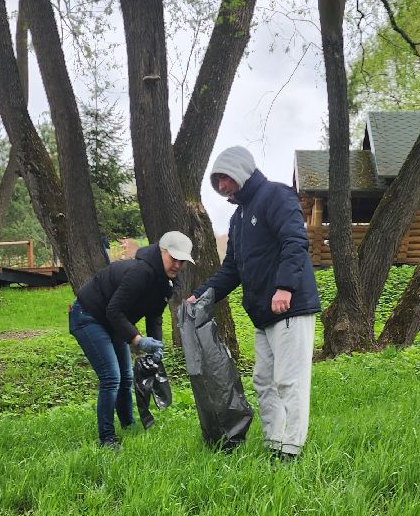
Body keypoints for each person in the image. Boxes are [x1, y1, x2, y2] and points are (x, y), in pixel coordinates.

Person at [189, 145, 321, 461]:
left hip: (290, 306)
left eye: (225, 178)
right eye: (217, 181)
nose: (221, 187)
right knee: (264, 381)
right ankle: (275, 443)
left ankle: (291, 449)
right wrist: (202, 294)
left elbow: (295, 241)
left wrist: (285, 287)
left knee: (289, 381)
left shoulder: (277, 196)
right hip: (263, 313)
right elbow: (231, 268)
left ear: (241, 170)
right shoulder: (238, 218)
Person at [69, 231, 191, 449]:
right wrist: (138, 341)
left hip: (112, 323)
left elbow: (154, 316)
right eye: (174, 258)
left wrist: (155, 345)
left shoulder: (167, 282)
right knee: (111, 377)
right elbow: (114, 310)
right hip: (88, 316)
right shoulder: (140, 272)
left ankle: (128, 425)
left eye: (182, 261)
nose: (178, 265)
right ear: (162, 251)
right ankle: (107, 439)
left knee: (126, 377)